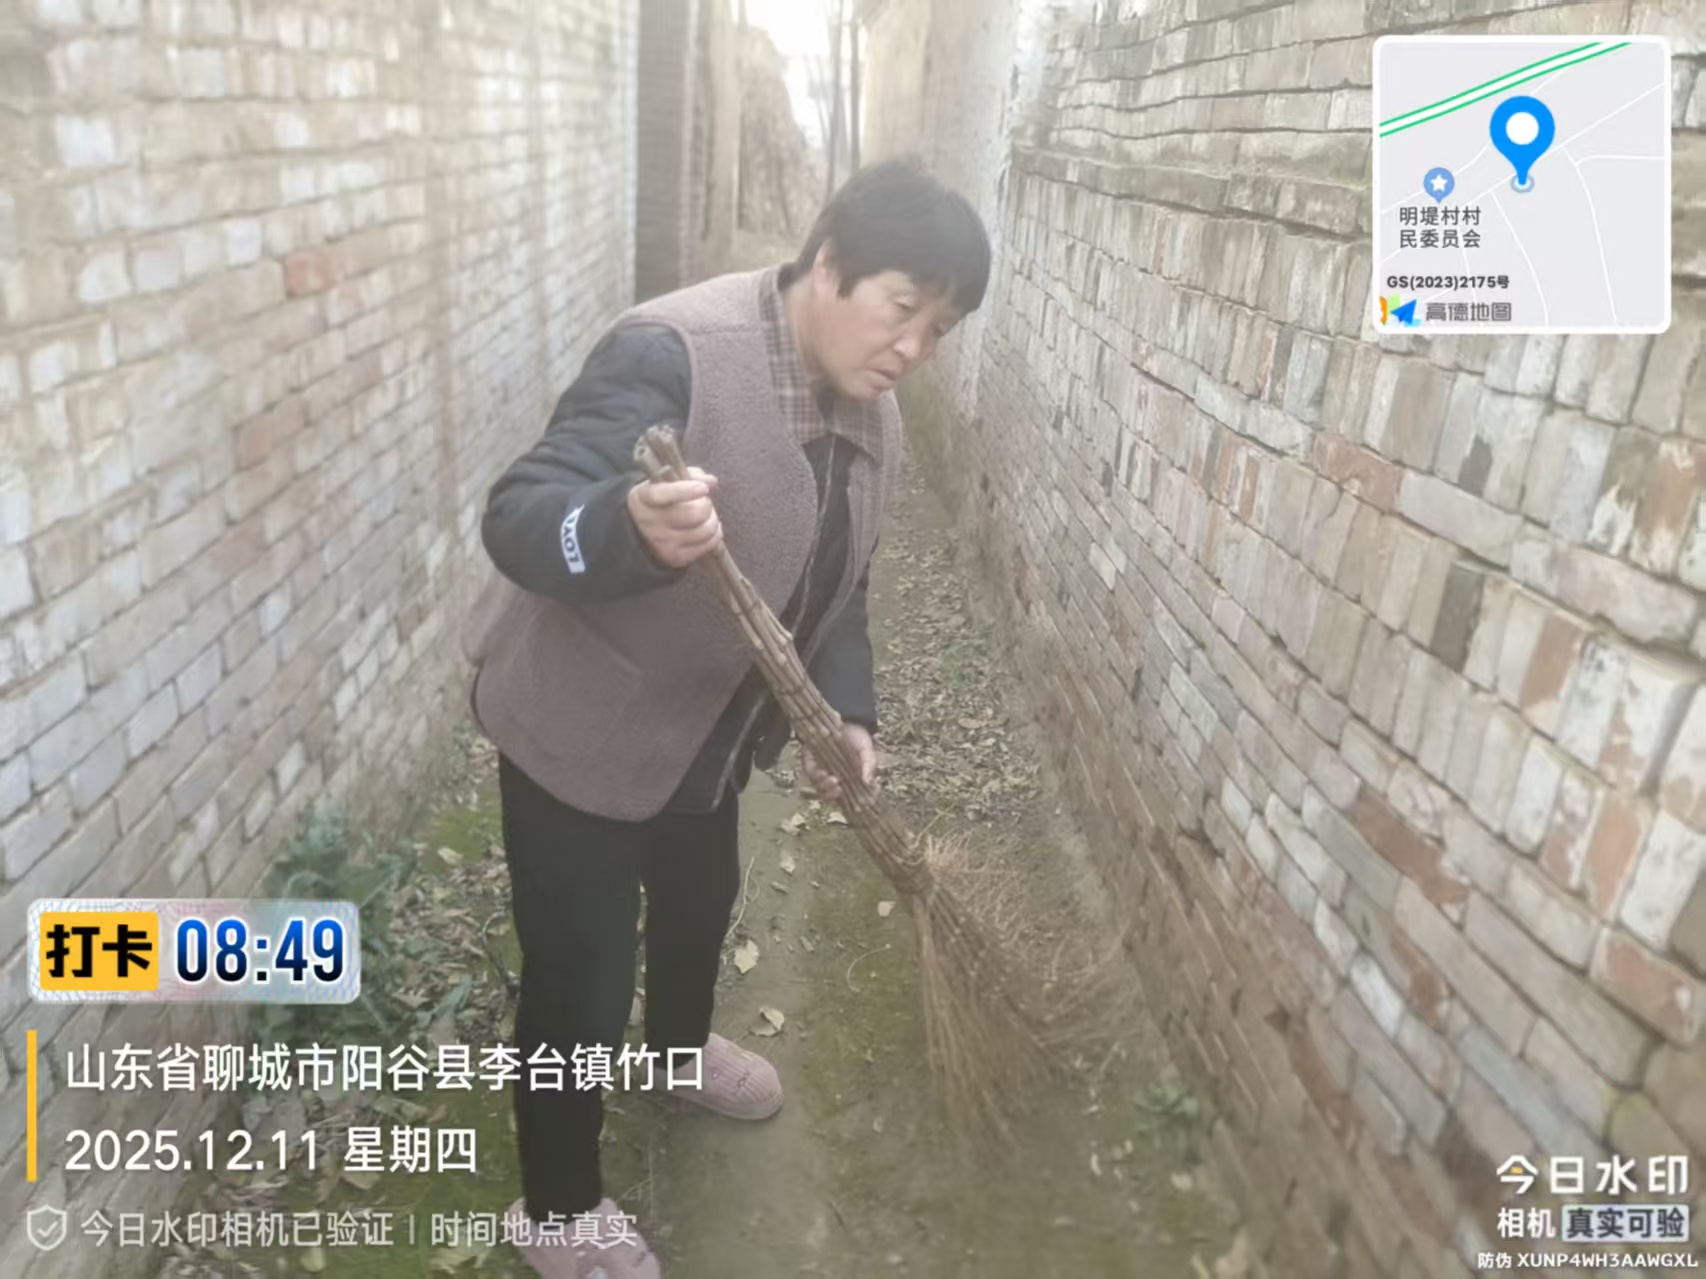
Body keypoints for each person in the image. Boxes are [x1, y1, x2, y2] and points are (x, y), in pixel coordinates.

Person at [462, 157, 991, 1279]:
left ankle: (673, 1054)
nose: (912, 347)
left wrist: (847, 714)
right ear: (830, 264)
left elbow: (844, 581)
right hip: (580, 734)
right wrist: (624, 526)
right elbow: (520, 512)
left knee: (702, 901)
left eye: (938, 330)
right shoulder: (671, 353)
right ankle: (556, 1208)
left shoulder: (875, 418)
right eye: (902, 308)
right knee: (579, 976)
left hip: (703, 741)